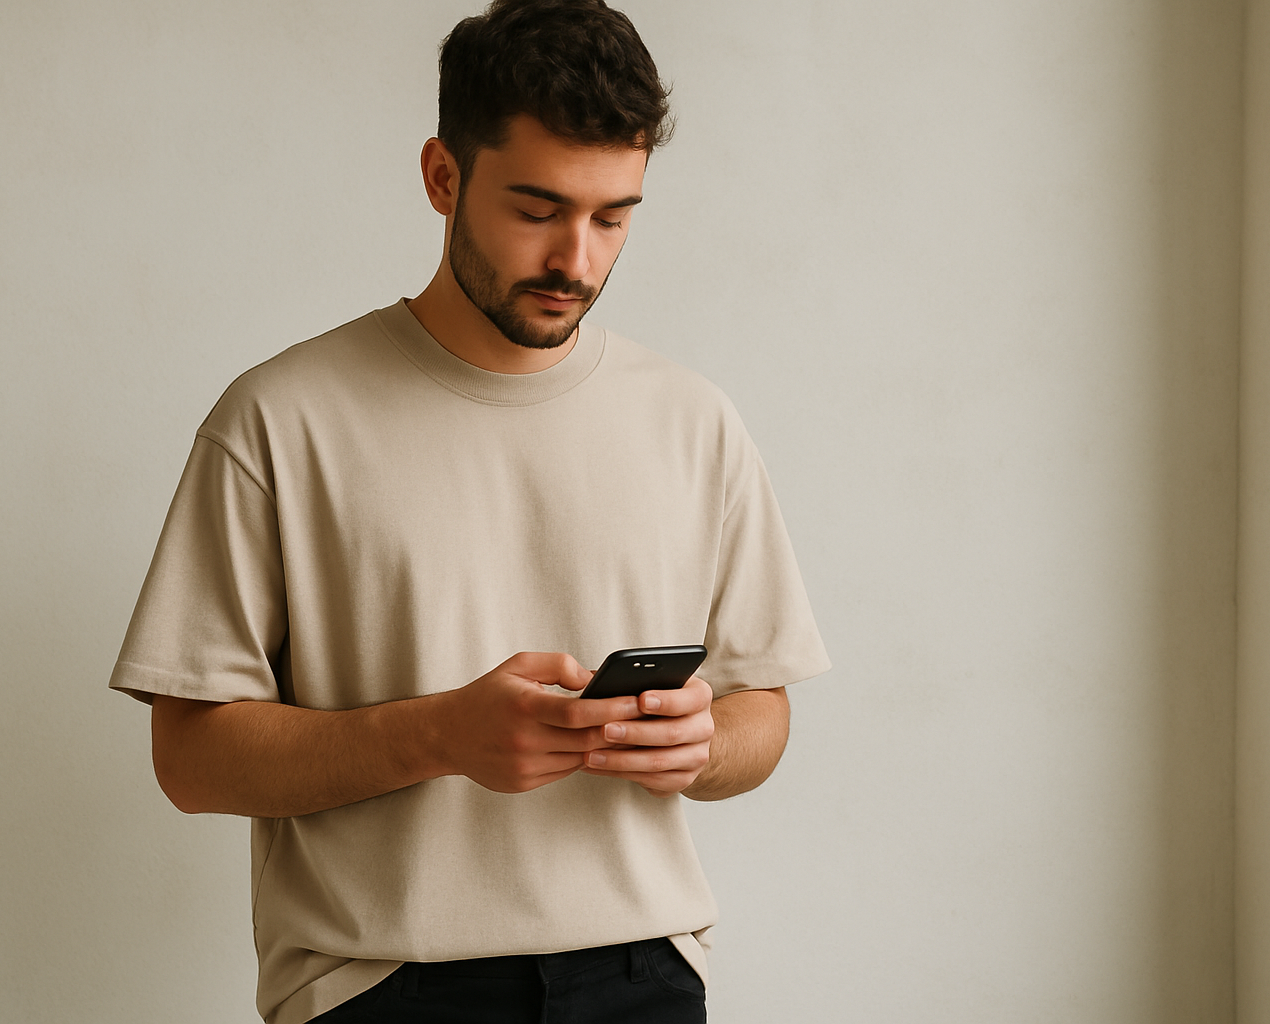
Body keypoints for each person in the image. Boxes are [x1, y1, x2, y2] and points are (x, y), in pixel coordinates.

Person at [109, 1, 829, 1021]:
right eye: (537, 209)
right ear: (443, 177)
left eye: (613, 216)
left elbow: (764, 710)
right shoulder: (279, 420)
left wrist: (702, 744)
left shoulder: (694, 420)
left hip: (641, 976)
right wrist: (440, 734)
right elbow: (188, 758)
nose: (577, 260)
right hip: (381, 986)